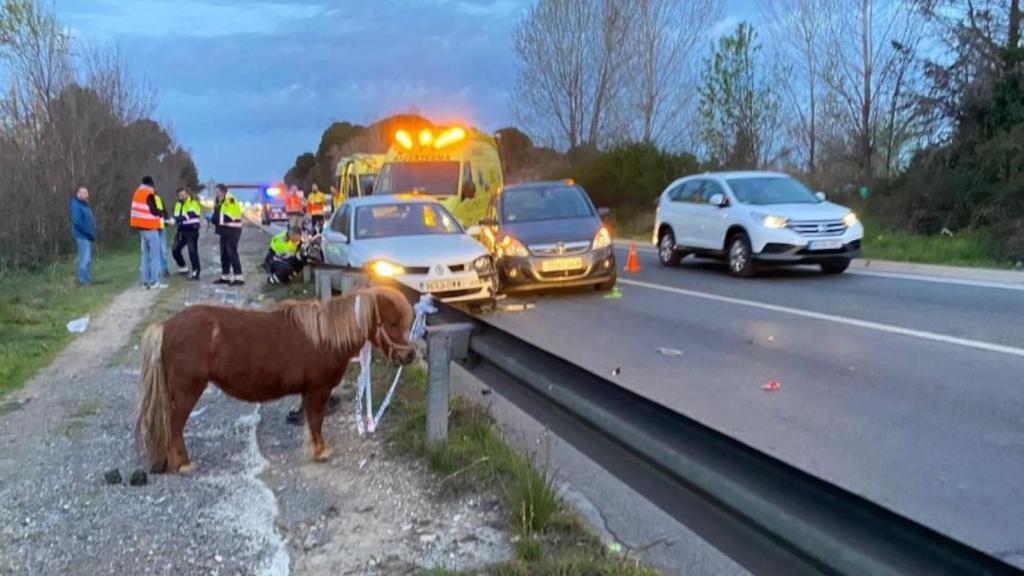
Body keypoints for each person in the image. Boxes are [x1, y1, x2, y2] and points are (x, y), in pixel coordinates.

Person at [130, 176, 166, 289]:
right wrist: (161, 215)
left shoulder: (137, 192)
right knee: (154, 256)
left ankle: (144, 282)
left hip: (141, 228)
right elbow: (154, 210)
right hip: (150, 226)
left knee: (144, 256)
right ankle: (154, 281)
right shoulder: (149, 193)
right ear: (151, 183)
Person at [212, 183, 244, 286]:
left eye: (217, 192)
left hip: (233, 230)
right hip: (224, 230)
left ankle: (239, 277)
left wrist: (214, 219)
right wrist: (212, 218)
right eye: (215, 192)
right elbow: (218, 215)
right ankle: (225, 276)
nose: (216, 194)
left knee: (232, 253)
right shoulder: (218, 201)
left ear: (223, 191)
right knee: (224, 254)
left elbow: (230, 217)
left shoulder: (230, 200)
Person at [171, 187, 202, 280]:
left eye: (183, 194)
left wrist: (175, 219)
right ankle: (183, 268)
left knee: (192, 252)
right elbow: (176, 215)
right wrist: (173, 219)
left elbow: (189, 215)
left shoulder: (193, 203)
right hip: (181, 230)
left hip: (192, 230)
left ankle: (196, 273)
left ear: (187, 194)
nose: (182, 196)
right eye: (180, 195)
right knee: (175, 250)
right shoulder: (177, 204)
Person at [70, 186, 96, 286]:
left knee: (87, 259)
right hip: (82, 236)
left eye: (87, 193)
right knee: (85, 259)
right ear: (78, 194)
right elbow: (77, 222)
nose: (87, 195)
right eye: (84, 193)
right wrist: (88, 232)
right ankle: (83, 280)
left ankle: (86, 278)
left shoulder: (84, 205)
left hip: (86, 236)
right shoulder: (76, 205)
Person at [154, 192, 170, 278]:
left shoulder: (157, 199)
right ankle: (159, 270)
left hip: (160, 227)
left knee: (162, 250)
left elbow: (163, 211)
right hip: (153, 228)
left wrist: (166, 221)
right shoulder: (149, 200)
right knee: (158, 250)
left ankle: (164, 269)